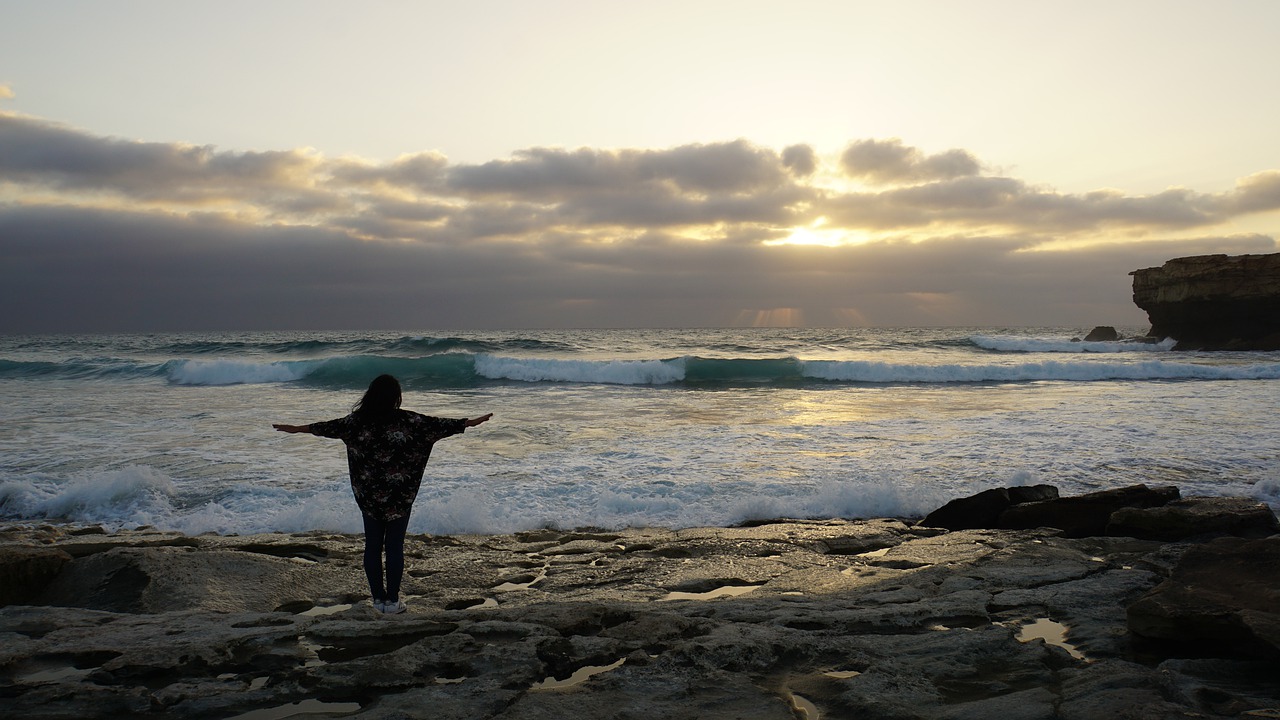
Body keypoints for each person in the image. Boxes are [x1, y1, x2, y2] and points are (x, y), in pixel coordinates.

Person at [273, 374, 492, 615]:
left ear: (371, 394)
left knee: (373, 546)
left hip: (369, 496)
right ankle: (393, 601)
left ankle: (378, 600)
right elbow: (439, 425)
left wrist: (295, 429)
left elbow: (326, 427)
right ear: (396, 397)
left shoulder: (357, 421)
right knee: (395, 547)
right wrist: (469, 423)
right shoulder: (408, 420)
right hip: (399, 495)